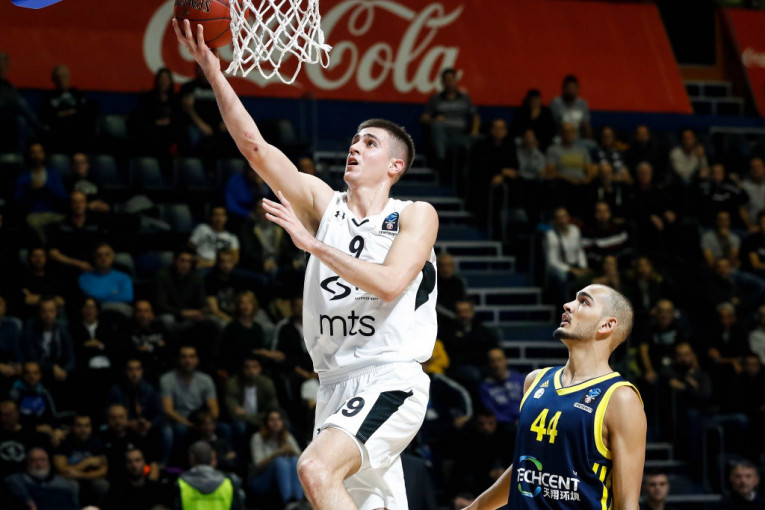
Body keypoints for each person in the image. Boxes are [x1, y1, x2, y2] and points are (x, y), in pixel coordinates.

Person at [174, 18, 439, 510]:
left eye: (370, 143)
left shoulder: (415, 215)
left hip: (389, 377)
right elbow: (256, 148)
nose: (355, 146)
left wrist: (313, 245)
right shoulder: (324, 204)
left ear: (395, 167)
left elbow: (390, 283)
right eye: (355, 140)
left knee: (315, 469)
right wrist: (213, 72)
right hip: (333, 385)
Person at [466, 284, 645, 510]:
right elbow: (525, 468)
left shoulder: (620, 398)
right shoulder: (535, 381)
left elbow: (627, 503)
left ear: (606, 325)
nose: (568, 305)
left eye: (584, 302)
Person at [160, 345, 220, 461]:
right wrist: (190, 424)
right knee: (181, 429)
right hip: (178, 419)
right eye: (184, 357)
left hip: (200, 418)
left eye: (191, 357)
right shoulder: (167, 379)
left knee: (225, 429)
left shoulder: (206, 379)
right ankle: (180, 463)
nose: (188, 361)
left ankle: (219, 462)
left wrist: (208, 423)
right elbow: (168, 410)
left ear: (197, 360)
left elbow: (214, 409)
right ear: (178, 360)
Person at [421, 67, 479, 171]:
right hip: (444, 135)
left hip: (461, 135)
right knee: (436, 126)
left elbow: (475, 116)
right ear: (442, 82)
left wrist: (474, 131)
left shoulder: (464, 98)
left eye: (452, 79)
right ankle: (441, 160)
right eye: (446, 80)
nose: (449, 83)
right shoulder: (435, 99)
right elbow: (424, 118)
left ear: (456, 80)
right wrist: (434, 118)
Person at [249, 409, 304, 507]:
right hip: (262, 478)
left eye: (279, 419)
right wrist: (277, 453)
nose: (276, 422)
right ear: (266, 423)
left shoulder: (287, 436)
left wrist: (293, 452)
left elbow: (302, 459)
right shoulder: (258, 437)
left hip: (286, 476)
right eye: (272, 420)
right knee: (280, 462)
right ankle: (288, 502)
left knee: (295, 460)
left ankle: (298, 502)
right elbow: (258, 466)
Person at [14, 142, 67, 242]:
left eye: (39, 152)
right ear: (29, 155)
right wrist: (30, 189)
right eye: (33, 153)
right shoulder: (24, 176)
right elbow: (17, 199)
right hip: (34, 214)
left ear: (44, 154)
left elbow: (63, 196)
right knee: (31, 222)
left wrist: (46, 186)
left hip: (53, 213)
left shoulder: (53, 174)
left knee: (68, 222)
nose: (37, 156)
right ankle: (46, 248)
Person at [52, 414, 109, 507]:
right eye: (79, 426)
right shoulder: (64, 442)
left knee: (102, 485)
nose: (83, 430)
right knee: (72, 485)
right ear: (72, 427)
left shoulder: (97, 442)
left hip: (89, 477)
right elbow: (62, 470)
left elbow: (104, 471)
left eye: (87, 426)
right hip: (69, 479)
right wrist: (87, 463)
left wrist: (80, 475)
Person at [39, 64, 97, 153]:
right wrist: (72, 112)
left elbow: (85, 113)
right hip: (58, 137)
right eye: (58, 77)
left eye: (64, 76)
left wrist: (61, 114)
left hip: (78, 135)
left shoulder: (77, 94)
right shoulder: (48, 97)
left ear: (69, 77)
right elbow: (48, 117)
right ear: (53, 79)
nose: (61, 80)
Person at [20, 297, 75, 385]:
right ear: (39, 313)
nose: (48, 315)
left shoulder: (62, 330)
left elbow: (71, 358)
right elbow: (32, 358)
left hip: (59, 371)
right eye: (44, 311)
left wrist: (65, 371)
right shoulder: (30, 331)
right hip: (40, 371)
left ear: (56, 312)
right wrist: (52, 368)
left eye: (51, 311)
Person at [224, 357, 279, 446]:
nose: (251, 371)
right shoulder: (233, 383)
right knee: (239, 426)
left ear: (260, 368)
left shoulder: (267, 383)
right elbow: (234, 413)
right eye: (247, 367)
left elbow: (273, 409)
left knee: (278, 422)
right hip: (243, 421)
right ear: (242, 369)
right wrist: (259, 419)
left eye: (254, 367)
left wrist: (247, 416)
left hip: (261, 418)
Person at [4, 447, 80, 510]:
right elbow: (10, 480)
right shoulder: (19, 480)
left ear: (48, 461)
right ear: (27, 462)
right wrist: (28, 500)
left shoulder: (64, 485)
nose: (38, 464)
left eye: (42, 459)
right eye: (33, 460)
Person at [544, 207, 590, 306]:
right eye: (559, 218)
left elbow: (579, 250)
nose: (563, 220)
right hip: (560, 269)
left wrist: (583, 266)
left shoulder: (575, 230)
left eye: (564, 216)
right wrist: (570, 269)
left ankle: (585, 308)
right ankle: (566, 307)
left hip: (575, 265)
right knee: (562, 277)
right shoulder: (551, 235)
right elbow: (552, 261)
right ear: (555, 220)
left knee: (588, 276)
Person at [9, 362, 64, 447]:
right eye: (28, 373)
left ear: (40, 375)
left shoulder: (44, 392)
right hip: (22, 433)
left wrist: (57, 429)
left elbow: (53, 414)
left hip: (44, 432)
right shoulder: (14, 393)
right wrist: (35, 428)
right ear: (22, 375)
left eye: (35, 373)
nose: (32, 376)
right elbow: (11, 421)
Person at [101, 404, 158, 484]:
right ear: (108, 420)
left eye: (121, 417)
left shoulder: (136, 437)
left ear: (127, 418)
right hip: (111, 480)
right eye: (113, 418)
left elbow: (151, 463)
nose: (117, 421)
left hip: (136, 481)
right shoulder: (101, 438)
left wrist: (152, 480)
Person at [103, 448, 170, 510]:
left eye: (137, 460)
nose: (134, 465)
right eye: (129, 461)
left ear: (144, 462)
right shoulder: (117, 489)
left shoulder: (155, 489)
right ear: (125, 464)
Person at [0, 400, 49, 480]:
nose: (3, 418)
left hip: (26, 477)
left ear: (17, 413)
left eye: (8, 415)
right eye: (1, 414)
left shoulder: (30, 433)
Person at [125, 300, 171, 384]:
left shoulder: (160, 327)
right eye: (139, 311)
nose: (143, 315)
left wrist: (148, 348)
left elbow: (168, 349)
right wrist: (156, 347)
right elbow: (127, 352)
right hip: (137, 371)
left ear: (152, 314)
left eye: (146, 311)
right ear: (134, 314)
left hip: (159, 368)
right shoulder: (127, 329)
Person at [77, 243, 134, 307]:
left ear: (113, 256)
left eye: (107, 254)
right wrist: (113, 294)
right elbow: (90, 297)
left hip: (117, 309)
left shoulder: (124, 277)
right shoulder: (84, 278)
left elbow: (127, 297)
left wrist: (101, 297)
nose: (103, 258)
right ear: (94, 258)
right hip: (94, 309)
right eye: (99, 255)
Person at [695, 163, 748, 229]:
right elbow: (694, 198)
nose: (717, 175)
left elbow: (745, 198)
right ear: (710, 174)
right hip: (709, 225)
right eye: (714, 173)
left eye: (719, 173)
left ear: (724, 174)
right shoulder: (704, 186)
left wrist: (737, 182)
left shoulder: (730, 187)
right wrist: (700, 179)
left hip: (730, 225)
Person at [19, 247, 66, 319]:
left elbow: (60, 301)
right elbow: (28, 300)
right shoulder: (24, 277)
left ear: (46, 258)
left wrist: (36, 298)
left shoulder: (54, 277)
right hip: (32, 315)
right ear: (29, 258)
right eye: (35, 256)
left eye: (41, 256)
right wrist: (51, 298)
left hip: (55, 316)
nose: (38, 259)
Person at [581, 201, 631, 269]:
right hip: (599, 268)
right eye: (599, 212)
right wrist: (605, 262)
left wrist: (614, 261)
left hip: (619, 267)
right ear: (595, 214)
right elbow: (588, 254)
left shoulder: (619, 229)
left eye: (605, 211)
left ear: (610, 213)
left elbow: (627, 250)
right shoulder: (588, 232)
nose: (603, 214)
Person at [435, 252, 467, 321]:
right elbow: (435, 305)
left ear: (453, 266)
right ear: (437, 267)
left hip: (457, 318)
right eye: (442, 265)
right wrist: (453, 316)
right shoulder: (432, 283)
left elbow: (463, 302)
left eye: (448, 265)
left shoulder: (459, 282)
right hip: (438, 319)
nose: (445, 268)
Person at [740, 157, 765, 231]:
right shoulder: (744, 186)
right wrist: (749, 226)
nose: (756, 170)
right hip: (752, 227)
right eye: (754, 168)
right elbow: (742, 209)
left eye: (759, 167)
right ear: (750, 170)